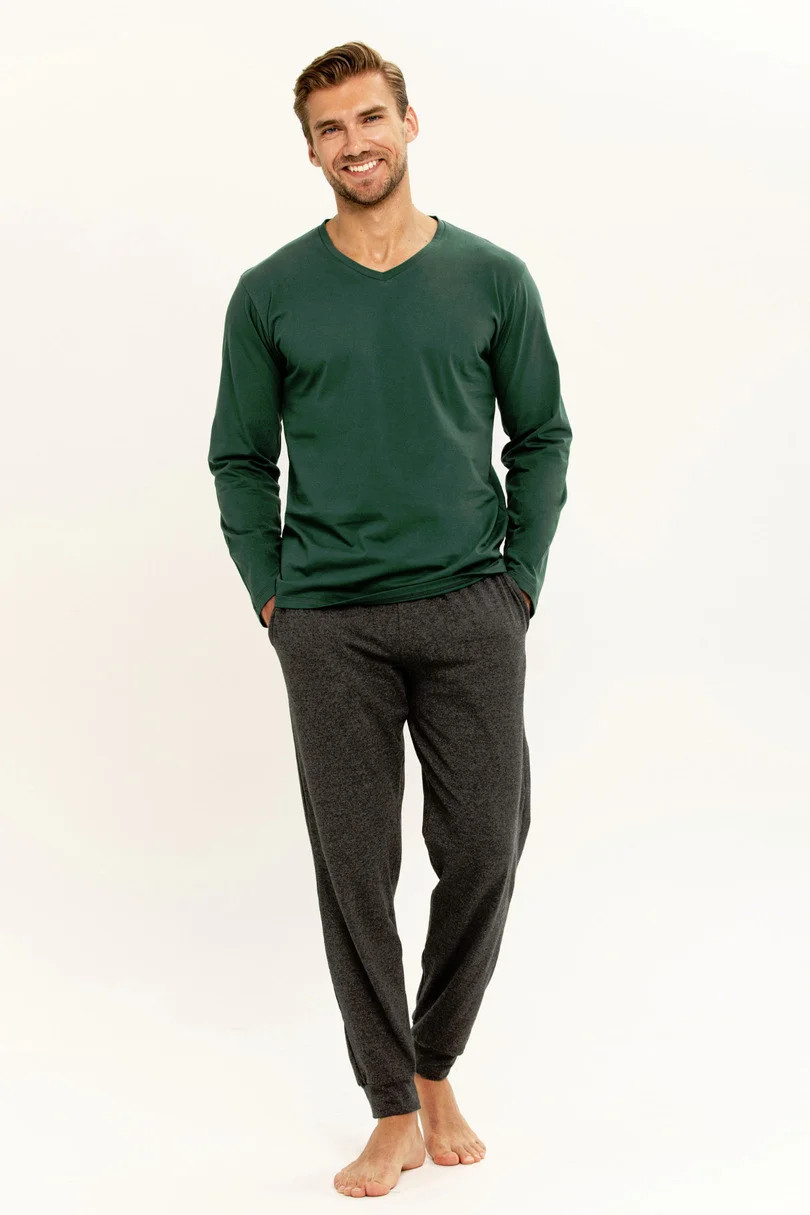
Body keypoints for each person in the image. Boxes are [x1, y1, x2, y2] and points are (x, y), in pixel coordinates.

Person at [207, 39, 572, 1199]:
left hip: (471, 608)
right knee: (355, 871)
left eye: (371, 118)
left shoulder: (491, 277)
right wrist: (274, 595)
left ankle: (434, 1063)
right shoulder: (271, 292)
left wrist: (520, 581)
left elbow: (543, 437)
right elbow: (238, 459)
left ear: (410, 124)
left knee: (485, 847)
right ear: (311, 150)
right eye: (330, 128)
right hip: (330, 624)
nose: (354, 142)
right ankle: (392, 1108)